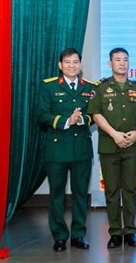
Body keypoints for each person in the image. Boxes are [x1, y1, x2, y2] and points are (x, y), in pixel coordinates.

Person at [37, 47, 95, 252]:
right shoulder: (49, 87)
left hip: (81, 149)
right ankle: (59, 236)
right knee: (57, 194)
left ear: (81, 65)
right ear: (60, 65)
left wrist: (82, 119)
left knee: (80, 194)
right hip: (57, 149)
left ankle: (79, 235)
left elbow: (94, 114)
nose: (72, 66)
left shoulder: (89, 88)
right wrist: (66, 121)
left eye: (75, 62)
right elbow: (42, 114)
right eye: (68, 62)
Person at [88, 47, 136, 249]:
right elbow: (96, 114)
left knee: (130, 190)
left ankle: (130, 231)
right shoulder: (101, 88)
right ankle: (114, 232)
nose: (122, 63)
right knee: (112, 191)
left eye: (125, 59)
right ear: (110, 63)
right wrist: (115, 134)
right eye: (117, 59)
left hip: (131, 146)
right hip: (109, 146)